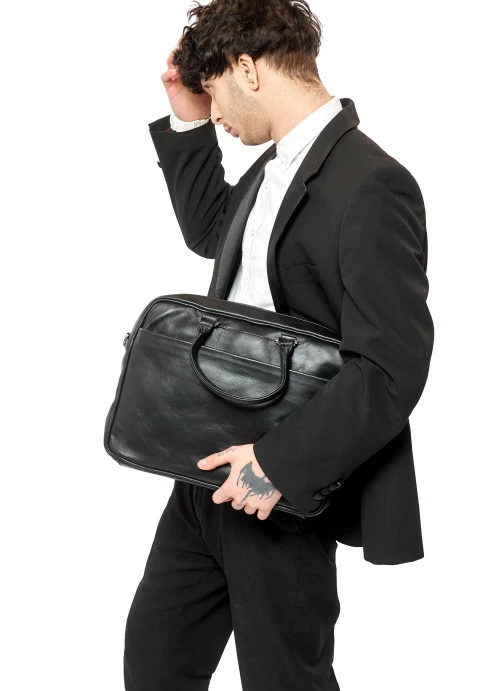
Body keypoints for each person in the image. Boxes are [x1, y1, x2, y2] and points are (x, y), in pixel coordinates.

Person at [123, 1, 434, 689]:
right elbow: (216, 232)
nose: (217, 112)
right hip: (203, 470)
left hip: (279, 487)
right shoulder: (273, 166)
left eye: (215, 91)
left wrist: (276, 465)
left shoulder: (373, 183)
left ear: (248, 68)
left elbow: (391, 367)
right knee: (154, 660)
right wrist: (187, 117)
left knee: (283, 678)